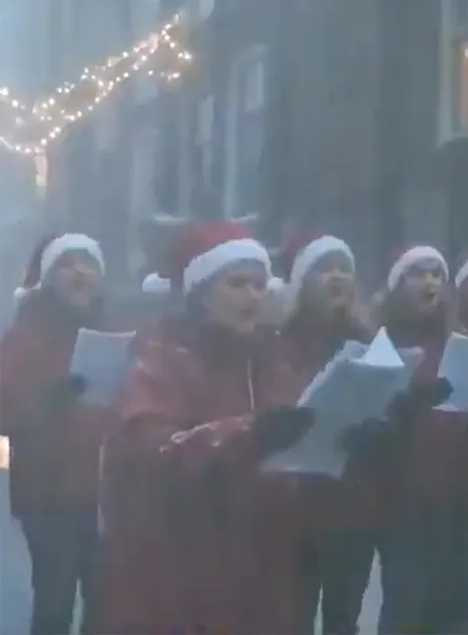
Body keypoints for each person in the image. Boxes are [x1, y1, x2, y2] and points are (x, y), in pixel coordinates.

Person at [93, 221, 319, 634]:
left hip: (263, 575)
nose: (253, 295)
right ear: (200, 293)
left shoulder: (274, 361)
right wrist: (249, 435)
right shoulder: (161, 358)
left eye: (259, 285)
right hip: (182, 578)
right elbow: (154, 450)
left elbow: (299, 455)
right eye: (237, 284)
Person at [272, 228, 387, 634]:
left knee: (344, 620)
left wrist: (379, 430)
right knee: (293, 618)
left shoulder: (370, 340)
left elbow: (390, 406)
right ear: (302, 282)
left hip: (352, 504)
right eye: (325, 268)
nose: (337, 276)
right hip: (295, 507)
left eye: (344, 268)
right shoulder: (277, 342)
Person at [0, 233, 112, 635]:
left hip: (108, 494)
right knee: (55, 602)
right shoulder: (25, 336)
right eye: (68, 263)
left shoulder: (114, 330)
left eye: (89, 263)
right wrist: (49, 398)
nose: (80, 271)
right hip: (49, 495)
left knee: (108, 604)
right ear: (48, 278)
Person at [373, 244, 455, 633]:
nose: (429, 282)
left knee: (446, 593)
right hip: (399, 485)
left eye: (436, 274)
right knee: (405, 593)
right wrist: (405, 404)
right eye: (419, 274)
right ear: (398, 284)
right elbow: (369, 407)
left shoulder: (454, 338)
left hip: (451, 483)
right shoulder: (380, 337)